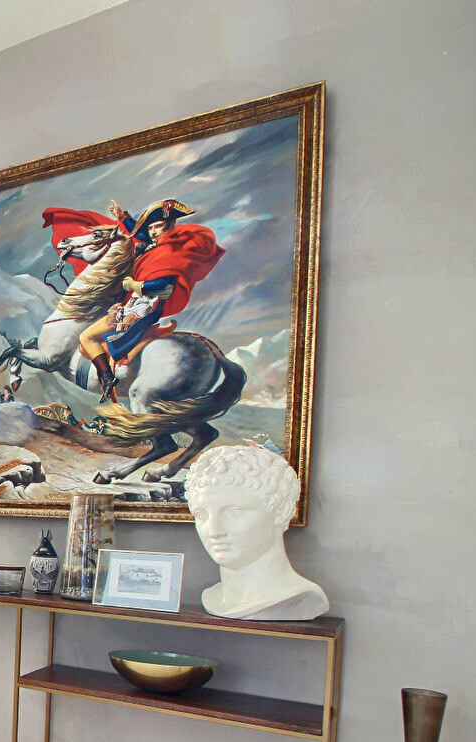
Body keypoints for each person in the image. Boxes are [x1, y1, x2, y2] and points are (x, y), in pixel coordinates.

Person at [72, 198, 225, 401]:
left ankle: (107, 378)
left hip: (145, 308)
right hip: (134, 304)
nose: (152, 231)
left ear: (169, 226)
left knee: (86, 337)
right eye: (150, 227)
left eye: (157, 226)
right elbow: (139, 234)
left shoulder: (171, 252)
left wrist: (134, 285)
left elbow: (164, 284)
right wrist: (122, 216)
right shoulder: (159, 246)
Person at [186, 443, 327, 621]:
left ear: (281, 511)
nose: (214, 531)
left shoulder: (301, 599)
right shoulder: (211, 597)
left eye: (234, 512)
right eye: (201, 514)